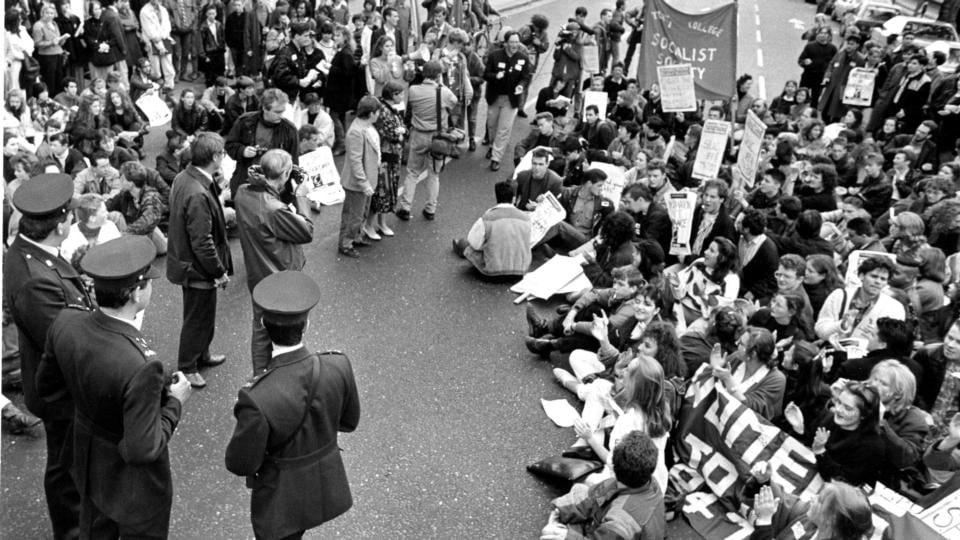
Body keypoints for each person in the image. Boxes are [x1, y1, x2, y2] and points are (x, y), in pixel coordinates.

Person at [37, 235, 192, 539]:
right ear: (135, 293)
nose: (151, 286)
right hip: (134, 488)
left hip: (88, 459)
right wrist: (175, 402)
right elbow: (142, 449)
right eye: (147, 282)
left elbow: (48, 389)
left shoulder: (66, 321)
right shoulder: (141, 365)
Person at [225, 270, 361, 540]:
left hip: (281, 500)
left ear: (263, 324)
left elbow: (240, 463)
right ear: (306, 324)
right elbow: (348, 422)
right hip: (322, 484)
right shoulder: (338, 364)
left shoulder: (257, 397)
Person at [4, 173, 94, 539]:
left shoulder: (32, 253)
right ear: (60, 225)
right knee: (67, 467)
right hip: (60, 388)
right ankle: (71, 531)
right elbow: (66, 342)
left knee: (67, 460)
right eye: (70, 217)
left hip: (50, 377)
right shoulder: (35, 277)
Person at [236, 150, 314, 372]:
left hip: (258, 273)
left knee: (261, 329)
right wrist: (301, 196)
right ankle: (278, 375)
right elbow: (306, 231)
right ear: (286, 172)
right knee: (286, 334)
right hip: (280, 277)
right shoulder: (273, 208)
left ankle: (259, 376)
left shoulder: (243, 193)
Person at [166, 132, 233, 389]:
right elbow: (202, 241)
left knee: (203, 314)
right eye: (223, 154)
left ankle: (201, 354)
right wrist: (218, 271)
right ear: (215, 157)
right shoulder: (197, 192)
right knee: (197, 317)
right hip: (196, 268)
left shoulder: (186, 176)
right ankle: (188, 366)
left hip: (186, 261)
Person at [540, 430, 666, 540]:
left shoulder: (621, 521)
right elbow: (594, 497)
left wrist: (567, 537)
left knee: (552, 533)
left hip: (619, 533)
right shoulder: (648, 481)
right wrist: (560, 509)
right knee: (581, 489)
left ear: (615, 470)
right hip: (624, 531)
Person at [396, 61, 457, 222]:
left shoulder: (414, 90)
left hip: (418, 134)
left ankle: (406, 206)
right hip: (438, 138)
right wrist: (442, 84)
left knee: (412, 172)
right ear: (438, 75)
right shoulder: (444, 92)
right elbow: (454, 102)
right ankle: (430, 209)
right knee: (434, 174)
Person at [815, 256, 906, 352]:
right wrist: (841, 325)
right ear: (861, 276)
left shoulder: (894, 307)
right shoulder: (839, 296)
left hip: (867, 359)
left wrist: (878, 335)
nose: (878, 282)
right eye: (874, 276)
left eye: (883, 279)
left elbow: (894, 343)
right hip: (834, 353)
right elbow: (820, 331)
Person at [225, 88, 300, 199]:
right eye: (277, 112)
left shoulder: (290, 130)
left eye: (283, 111)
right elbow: (230, 145)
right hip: (246, 181)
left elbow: (294, 163)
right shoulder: (245, 122)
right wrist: (243, 151)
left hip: (275, 188)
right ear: (265, 108)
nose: (281, 115)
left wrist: (298, 185)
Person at [812, 380, 886, 486]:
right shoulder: (830, 418)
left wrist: (821, 452)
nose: (838, 409)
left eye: (847, 408)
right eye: (838, 402)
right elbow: (809, 442)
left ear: (864, 415)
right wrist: (799, 428)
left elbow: (843, 481)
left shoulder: (872, 446)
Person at [452, 180, 532, 277]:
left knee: (464, 243)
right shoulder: (526, 218)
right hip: (520, 271)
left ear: (497, 197)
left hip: (492, 273)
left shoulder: (487, 218)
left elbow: (474, 243)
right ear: (514, 199)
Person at [338, 96, 381, 258]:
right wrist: (364, 184)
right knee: (353, 216)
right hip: (357, 183)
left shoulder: (364, 127)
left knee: (360, 213)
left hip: (366, 181)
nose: (378, 115)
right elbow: (356, 162)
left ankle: (356, 237)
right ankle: (346, 243)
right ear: (371, 113)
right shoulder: (356, 132)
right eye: (377, 112)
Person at [482, 30, 532, 171]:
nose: (515, 45)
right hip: (495, 97)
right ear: (505, 43)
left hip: (511, 100)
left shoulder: (523, 58)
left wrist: (521, 86)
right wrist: (495, 76)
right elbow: (486, 74)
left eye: (517, 42)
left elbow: (525, 76)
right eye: (512, 42)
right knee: (492, 126)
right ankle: (492, 146)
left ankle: (496, 158)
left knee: (504, 128)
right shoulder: (495, 56)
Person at [366, 82, 407, 240]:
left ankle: (382, 223)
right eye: (400, 93)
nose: (403, 96)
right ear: (394, 94)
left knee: (389, 191)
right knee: (381, 192)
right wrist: (400, 133)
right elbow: (393, 134)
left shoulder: (392, 109)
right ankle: (369, 225)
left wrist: (401, 131)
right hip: (385, 157)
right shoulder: (383, 111)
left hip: (393, 156)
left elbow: (402, 128)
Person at [107, 161, 169, 256]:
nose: (119, 180)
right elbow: (110, 205)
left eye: (122, 178)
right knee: (115, 215)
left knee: (162, 247)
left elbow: (148, 221)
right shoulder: (125, 195)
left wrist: (123, 233)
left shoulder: (151, 197)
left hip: (151, 230)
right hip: (134, 231)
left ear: (131, 183)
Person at [139, 0, 176, 91]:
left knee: (168, 65)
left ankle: (169, 86)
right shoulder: (144, 11)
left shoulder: (163, 9)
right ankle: (156, 85)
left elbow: (167, 25)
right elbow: (150, 31)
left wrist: (164, 37)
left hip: (165, 39)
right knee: (155, 67)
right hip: (152, 42)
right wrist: (160, 45)